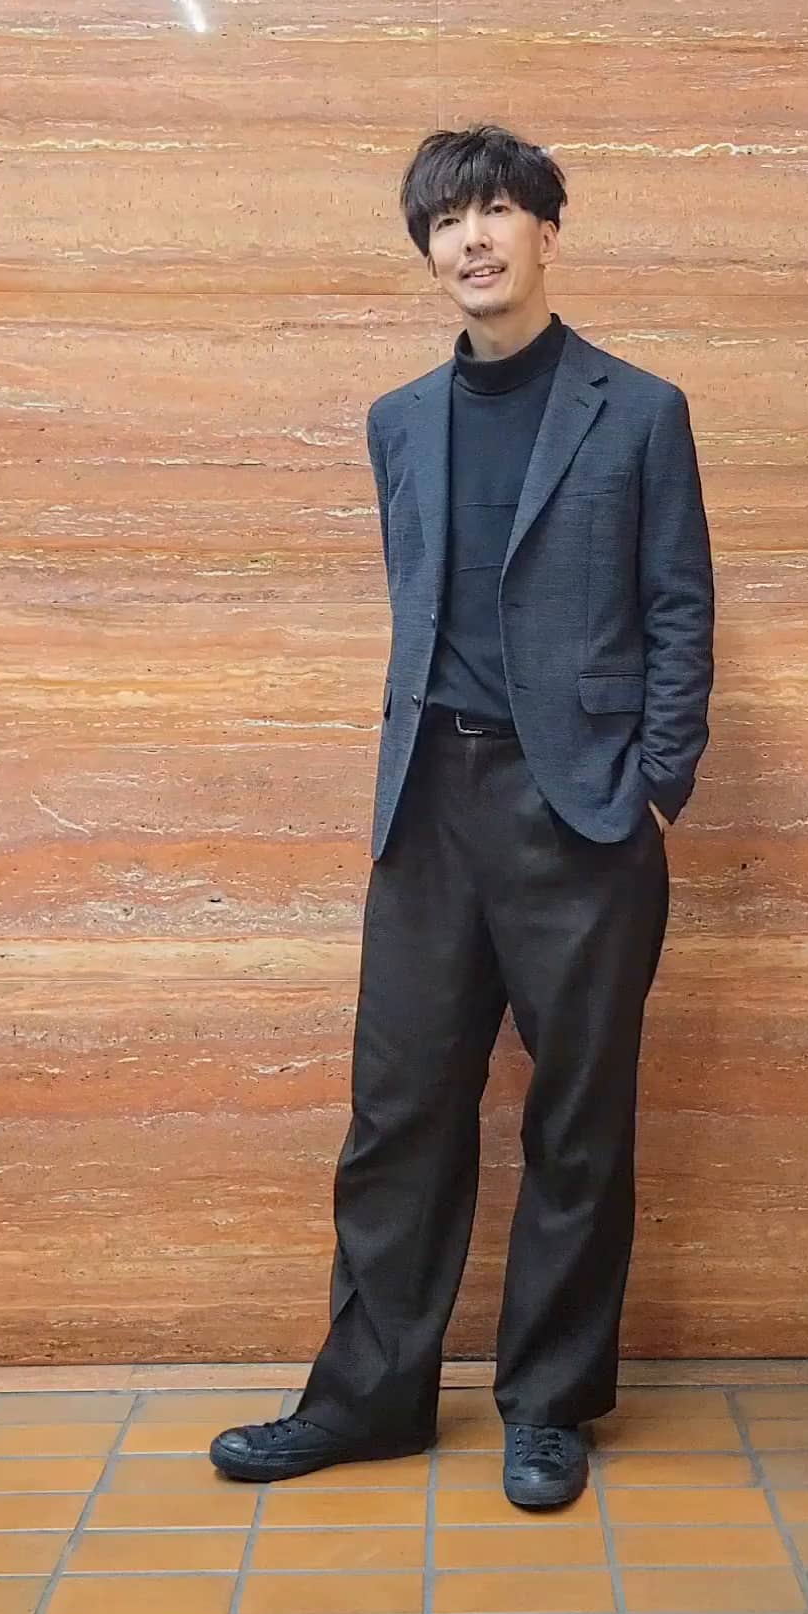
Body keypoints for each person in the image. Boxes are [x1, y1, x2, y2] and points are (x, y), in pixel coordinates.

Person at [210, 123, 715, 1508]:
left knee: (577, 1122)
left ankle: (549, 1405)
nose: (473, 238)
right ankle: (369, 1399)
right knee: (400, 1112)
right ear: (428, 250)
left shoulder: (640, 409)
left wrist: (653, 779)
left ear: (547, 231)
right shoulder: (398, 421)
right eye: (447, 221)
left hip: (580, 813)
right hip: (429, 801)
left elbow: (680, 606)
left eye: (496, 211)